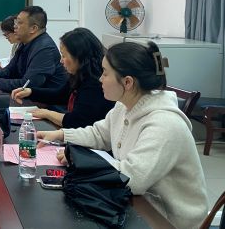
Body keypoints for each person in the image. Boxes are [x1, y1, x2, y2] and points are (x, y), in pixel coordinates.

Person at [37, 42, 208, 229]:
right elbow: (99, 134)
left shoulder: (165, 124)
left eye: (105, 73)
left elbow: (132, 178)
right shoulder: (124, 106)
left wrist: (80, 160)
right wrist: (61, 134)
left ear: (127, 82)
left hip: (167, 220)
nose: (100, 79)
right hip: (136, 203)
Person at [10, 27, 113, 128]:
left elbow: (77, 121)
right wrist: (30, 92)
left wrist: (47, 113)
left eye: (64, 56)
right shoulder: (79, 74)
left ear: (79, 56)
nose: (61, 61)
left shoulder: (95, 84)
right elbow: (60, 95)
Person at [0, 6, 67, 93]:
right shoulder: (25, 42)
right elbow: (10, 70)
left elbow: (28, 84)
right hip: (29, 97)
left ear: (33, 28)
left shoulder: (44, 49)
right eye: (16, 22)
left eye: (19, 23)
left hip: (47, 100)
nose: (15, 26)